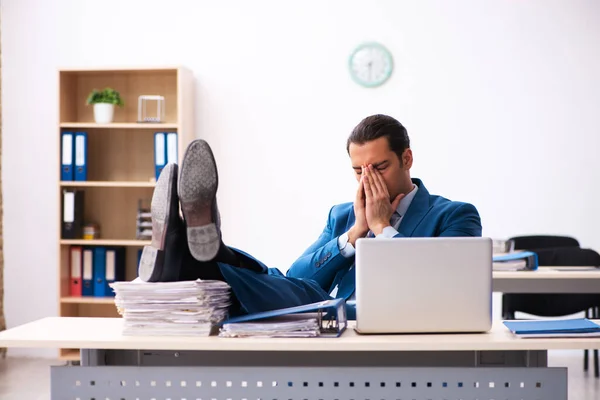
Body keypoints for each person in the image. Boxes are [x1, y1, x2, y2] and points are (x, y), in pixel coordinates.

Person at [139, 114, 482, 318]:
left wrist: (381, 228)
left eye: (379, 168)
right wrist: (355, 233)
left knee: (297, 297)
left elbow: (445, 287)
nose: (368, 181)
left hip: (388, 319)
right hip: (330, 319)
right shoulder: (344, 215)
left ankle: (192, 257)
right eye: (358, 172)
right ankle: (205, 257)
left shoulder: (454, 215)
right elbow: (300, 274)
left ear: (406, 159)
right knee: (284, 284)